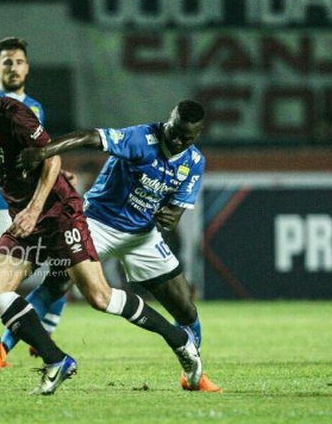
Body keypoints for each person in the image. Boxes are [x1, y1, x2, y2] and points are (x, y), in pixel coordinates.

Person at [0, 66, 205, 395]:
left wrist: (34, 210)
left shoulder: (14, 115)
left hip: (59, 213)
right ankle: (56, 360)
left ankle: (177, 338)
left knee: (99, 297)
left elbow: (51, 161)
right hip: (28, 216)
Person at [16, 100, 220, 392]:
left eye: (186, 138)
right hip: (96, 223)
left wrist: (169, 218)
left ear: (197, 135)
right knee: (57, 284)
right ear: (168, 121)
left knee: (186, 307)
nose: (176, 141)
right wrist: (43, 151)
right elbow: (89, 136)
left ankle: (194, 375)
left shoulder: (195, 163)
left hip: (142, 236)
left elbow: (175, 213)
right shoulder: (142, 138)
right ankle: (0, 351)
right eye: (174, 132)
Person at [0, 37, 67, 366]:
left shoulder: (35, 105)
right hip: (2, 204)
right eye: (7, 61)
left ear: (27, 67)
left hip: (37, 204)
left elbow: (41, 149)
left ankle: (40, 334)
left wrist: (59, 173)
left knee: (61, 267)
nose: (13, 67)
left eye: (18, 61)